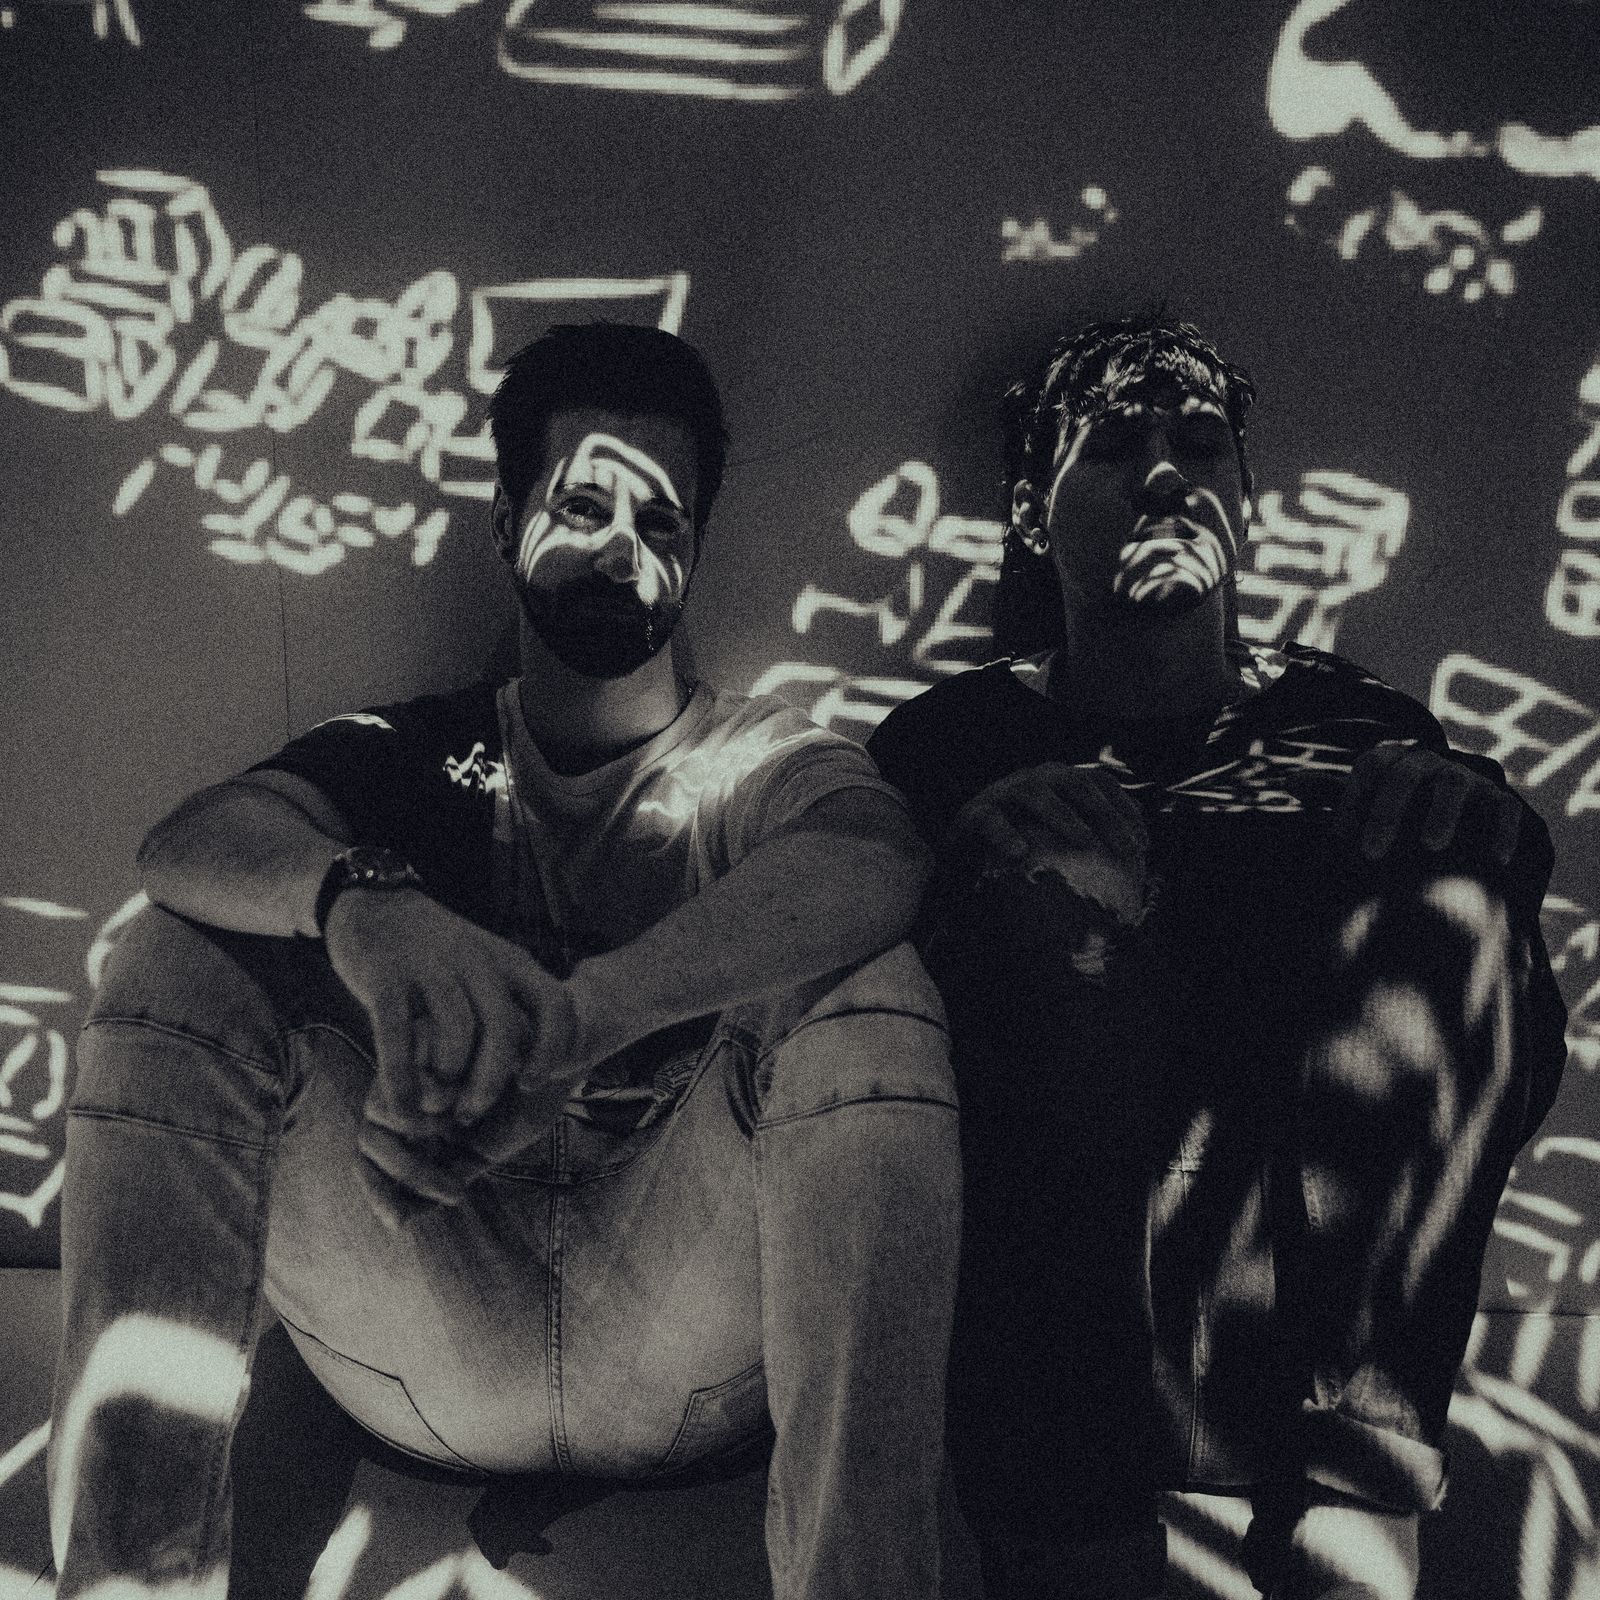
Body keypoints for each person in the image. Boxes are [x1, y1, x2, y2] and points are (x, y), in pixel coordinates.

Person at [48, 323, 967, 1600]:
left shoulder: (758, 756)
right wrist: (362, 906)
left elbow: (874, 857)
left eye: (660, 519)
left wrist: (588, 1017)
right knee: (170, 958)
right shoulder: (411, 749)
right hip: (415, 1332)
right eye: (582, 505)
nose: (621, 549)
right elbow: (187, 842)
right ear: (504, 523)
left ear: (696, 549)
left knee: (871, 990)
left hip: (693, 1358)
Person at [866, 315, 1568, 1600]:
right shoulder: (950, 739)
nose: (1164, 476)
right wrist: (966, 864)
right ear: (1028, 515)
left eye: (1198, 446)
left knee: (1453, 899)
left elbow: (1499, 1017)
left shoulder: (1354, 718)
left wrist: (1490, 831)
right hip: (1057, 1332)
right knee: (1044, 918)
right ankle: (1072, 1533)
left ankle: (1349, 1514)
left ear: (1245, 504)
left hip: (1306, 1316)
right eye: (1112, 449)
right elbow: (856, 1025)